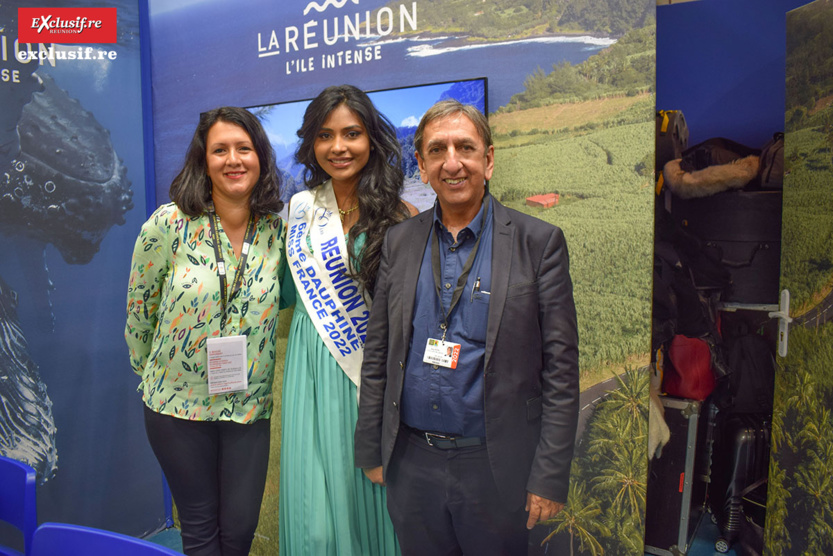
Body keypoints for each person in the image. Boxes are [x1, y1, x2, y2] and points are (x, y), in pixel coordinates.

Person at [354, 100, 580, 555]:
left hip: (495, 467)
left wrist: (550, 476)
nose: (452, 163)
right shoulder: (400, 241)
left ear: (488, 160)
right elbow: (378, 352)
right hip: (412, 464)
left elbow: (561, 370)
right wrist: (371, 449)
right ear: (421, 165)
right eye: (437, 150)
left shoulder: (538, 244)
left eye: (465, 148)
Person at [125, 107, 286, 556]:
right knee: (199, 530)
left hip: (247, 405)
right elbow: (140, 310)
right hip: (177, 406)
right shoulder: (168, 224)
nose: (233, 159)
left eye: (244, 148)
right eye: (220, 150)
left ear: (260, 157)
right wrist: (157, 374)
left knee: (239, 530)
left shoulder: (275, 231)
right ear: (204, 159)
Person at [280, 85, 417, 555]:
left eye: (351, 134)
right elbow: (285, 292)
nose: (338, 147)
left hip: (370, 369)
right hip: (309, 363)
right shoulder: (299, 211)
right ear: (311, 144)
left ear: (372, 139)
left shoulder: (401, 215)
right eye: (325, 135)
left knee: (372, 497)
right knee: (312, 501)